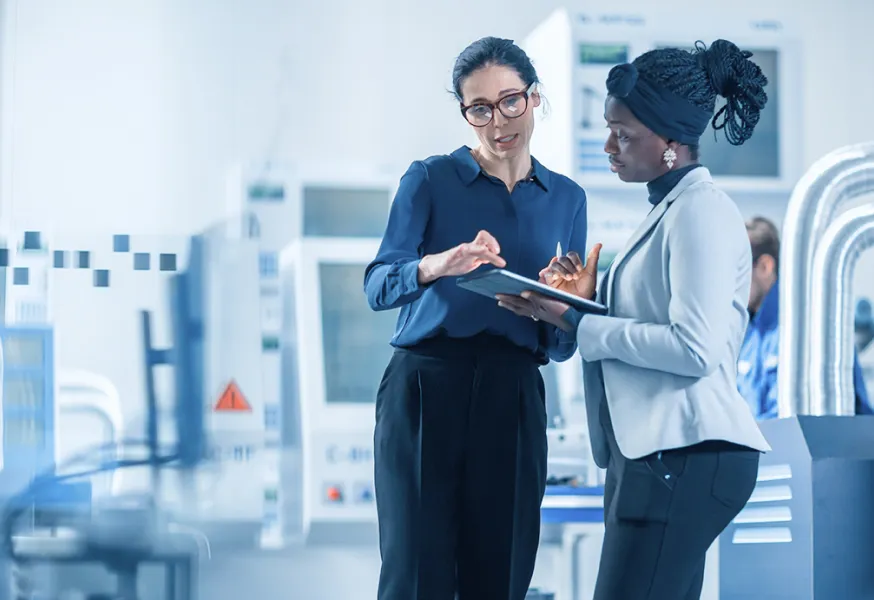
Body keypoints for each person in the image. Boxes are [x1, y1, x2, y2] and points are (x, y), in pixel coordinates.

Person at [497, 40, 771, 599]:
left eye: (622, 133)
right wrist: (581, 306)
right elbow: (655, 327)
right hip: (653, 453)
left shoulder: (701, 211)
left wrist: (579, 324)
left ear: (670, 141)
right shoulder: (667, 211)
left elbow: (694, 348)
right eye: (608, 128)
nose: (608, 145)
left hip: (687, 453)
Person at [363, 36, 589, 600]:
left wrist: (557, 308)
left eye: (510, 101)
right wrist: (436, 265)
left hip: (513, 391)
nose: (498, 121)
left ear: (534, 99)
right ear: (465, 113)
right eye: (480, 108)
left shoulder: (567, 198)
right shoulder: (430, 179)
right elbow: (377, 284)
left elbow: (563, 344)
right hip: (425, 386)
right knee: (416, 576)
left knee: (502, 572)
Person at [740, 216, 872, 417]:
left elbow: (799, 416)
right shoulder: (747, 337)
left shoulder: (808, 326)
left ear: (765, 267)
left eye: (736, 270)